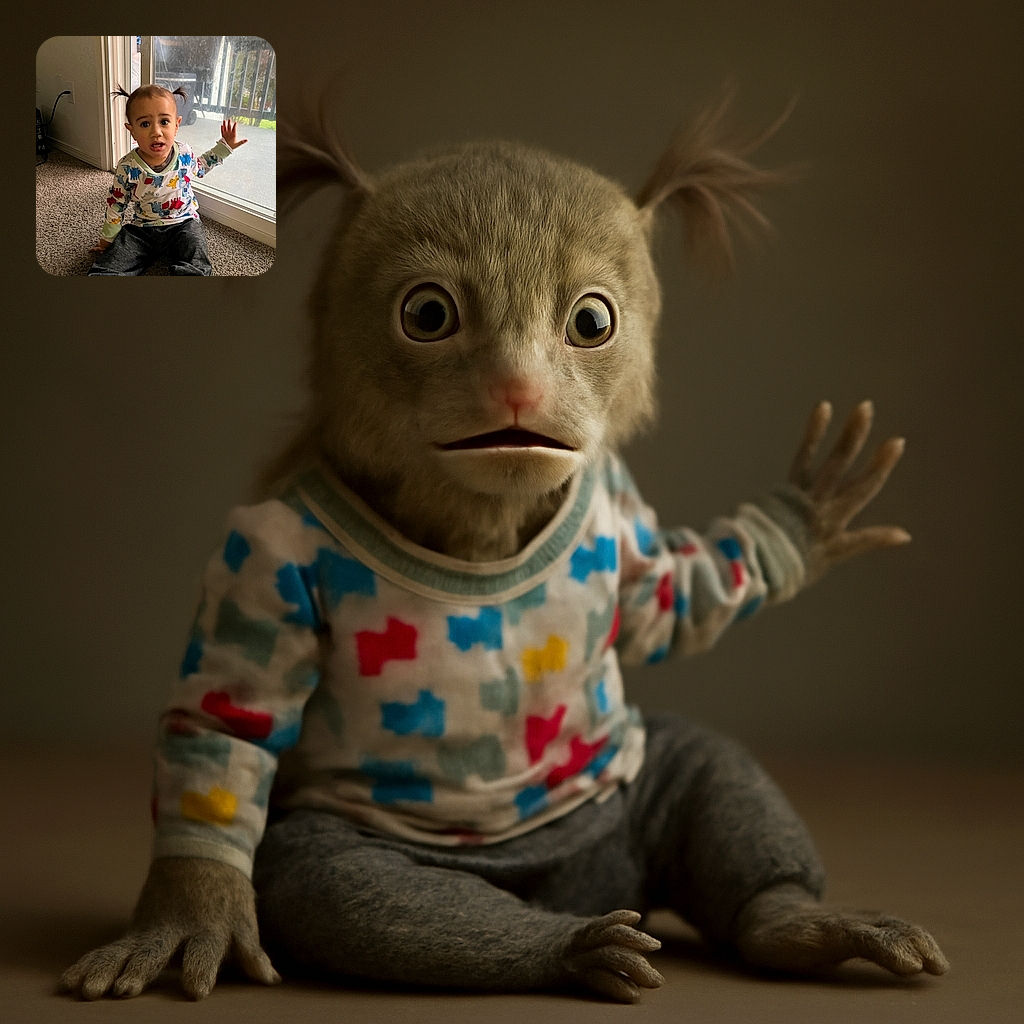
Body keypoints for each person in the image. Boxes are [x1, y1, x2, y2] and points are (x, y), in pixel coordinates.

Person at [88, 84, 247, 276]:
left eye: (164, 122)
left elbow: (200, 166)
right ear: (132, 130)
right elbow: (117, 203)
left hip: (184, 223)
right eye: (145, 124)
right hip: (143, 228)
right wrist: (108, 239)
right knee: (109, 264)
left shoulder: (184, 153)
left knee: (197, 258)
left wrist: (224, 147)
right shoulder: (127, 166)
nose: (156, 132)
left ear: (176, 124)